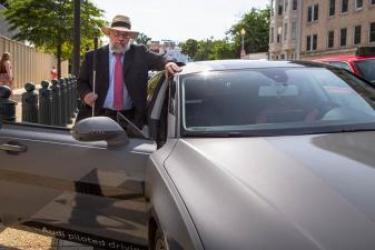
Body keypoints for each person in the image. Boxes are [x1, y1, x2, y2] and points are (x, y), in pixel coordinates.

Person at [77, 14, 181, 129]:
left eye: (125, 35)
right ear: (109, 34)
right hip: (98, 116)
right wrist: (86, 94)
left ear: (129, 37)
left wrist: (168, 63)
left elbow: (160, 59)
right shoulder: (93, 56)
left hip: (130, 120)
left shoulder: (140, 53)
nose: (120, 38)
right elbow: (81, 82)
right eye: (116, 33)